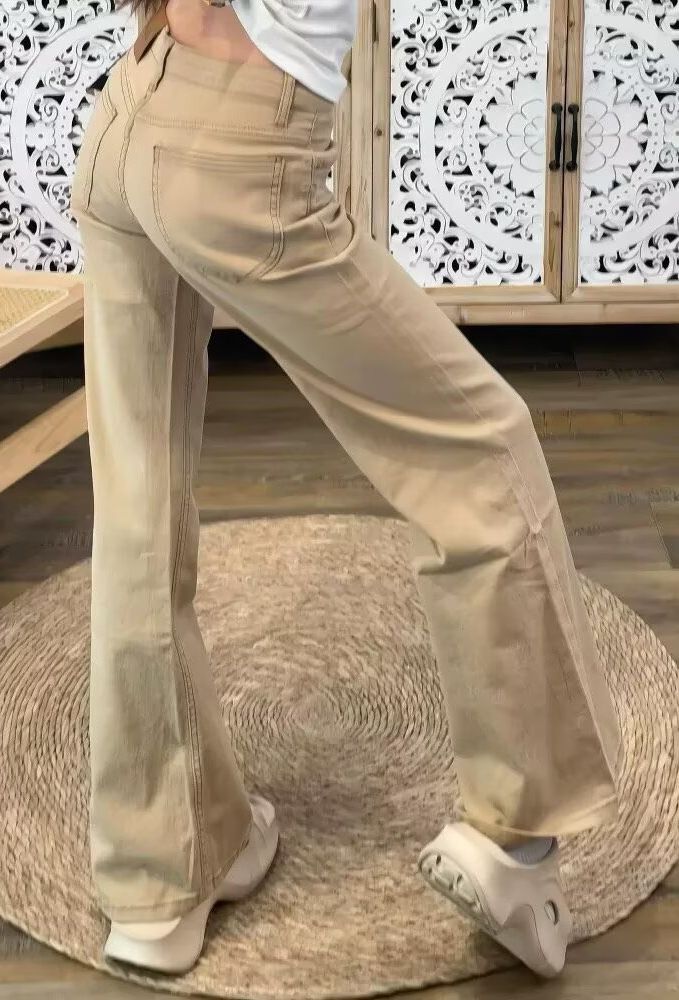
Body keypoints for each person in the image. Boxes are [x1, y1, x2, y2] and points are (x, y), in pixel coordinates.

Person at [71, 0, 622, 980]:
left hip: (132, 113)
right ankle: (518, 840)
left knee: (137, 516)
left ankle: (159, 880)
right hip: (238, 149)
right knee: (483, 446)